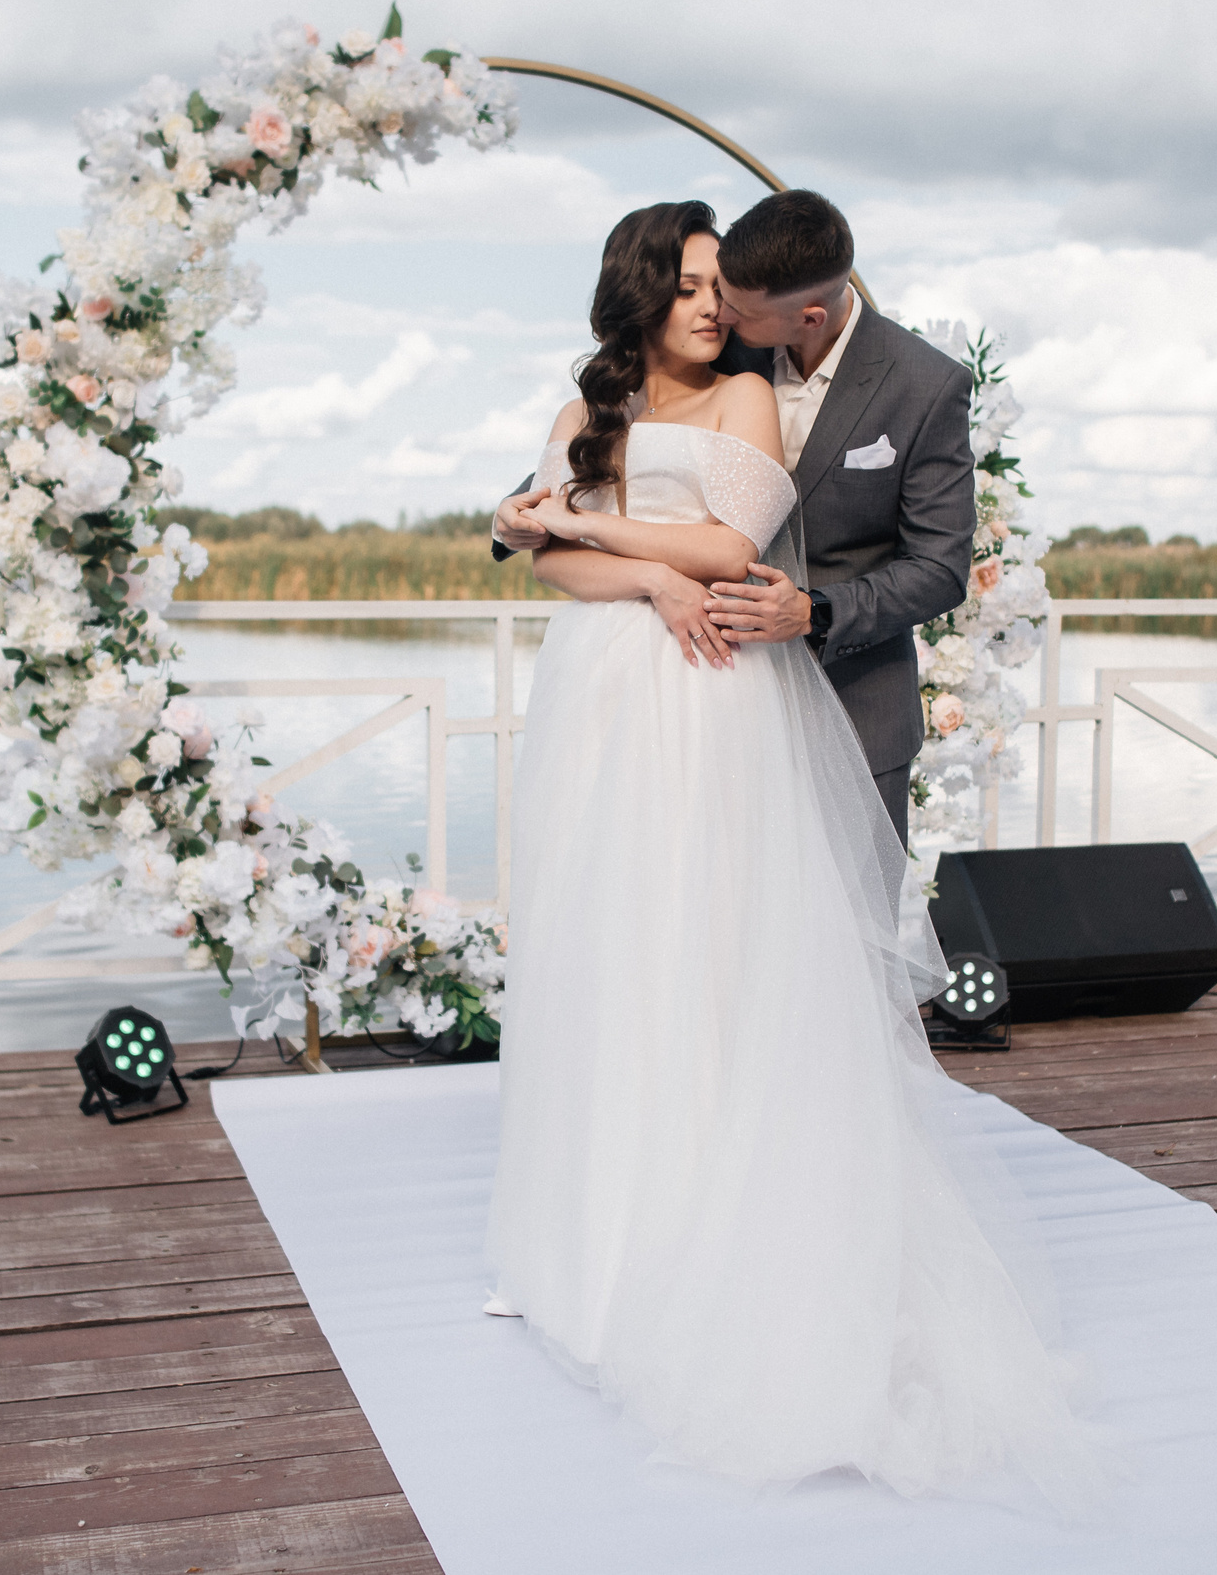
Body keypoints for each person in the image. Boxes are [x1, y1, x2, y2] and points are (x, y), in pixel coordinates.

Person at [484, 200, 1099, 1505]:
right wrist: (627, 574)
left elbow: (724, 548)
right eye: (693, 285)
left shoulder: (757, 396)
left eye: (726, 289)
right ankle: (588, 1247)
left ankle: (735, 1237)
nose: (713, 308)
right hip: (602, 700)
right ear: (645, 291)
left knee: (731, 950)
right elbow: (539, 557)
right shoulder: (594, 396)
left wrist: (596, 535)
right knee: (613, 950)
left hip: (721, 698)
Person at [490, 188, 977, 842]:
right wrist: (509, 517)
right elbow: (601, 466)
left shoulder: (923, 385)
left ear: (806, 315)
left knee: (848, 934)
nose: (718, 312)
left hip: (849, 694)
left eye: (733, 303)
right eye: (707, 291)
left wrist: (816, 610)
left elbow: (941, 568)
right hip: (697, 688)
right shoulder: (719, 348)